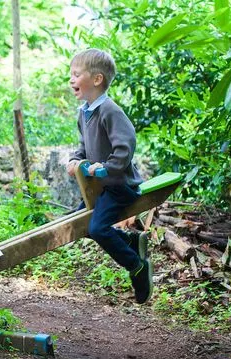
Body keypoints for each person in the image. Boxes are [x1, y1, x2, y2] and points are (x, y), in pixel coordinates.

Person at [65, 48, 152, 304]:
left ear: (97, 79)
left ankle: (136, 266)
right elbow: (84, 146)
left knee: (97, 228)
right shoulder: (85, 112)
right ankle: (129, 241)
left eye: (76, 74)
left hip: (118, 185)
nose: (71, 80)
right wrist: (75, 159)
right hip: (99, 187)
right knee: (79, 222)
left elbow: (125, 147)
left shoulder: (110, 111)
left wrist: (104, 167)